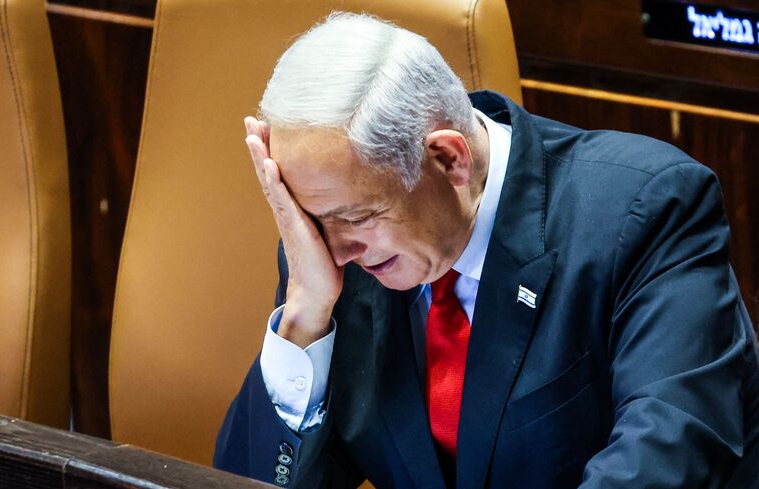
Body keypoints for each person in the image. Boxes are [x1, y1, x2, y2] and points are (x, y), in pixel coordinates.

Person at [213, 12, 759, 489]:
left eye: (356, 217)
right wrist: (304, 316)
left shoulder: (641, 211)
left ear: (450, 159)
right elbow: (247, 482)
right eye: (313, 221)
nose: (336, 249)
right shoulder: (331, 265)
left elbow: (670, 457)